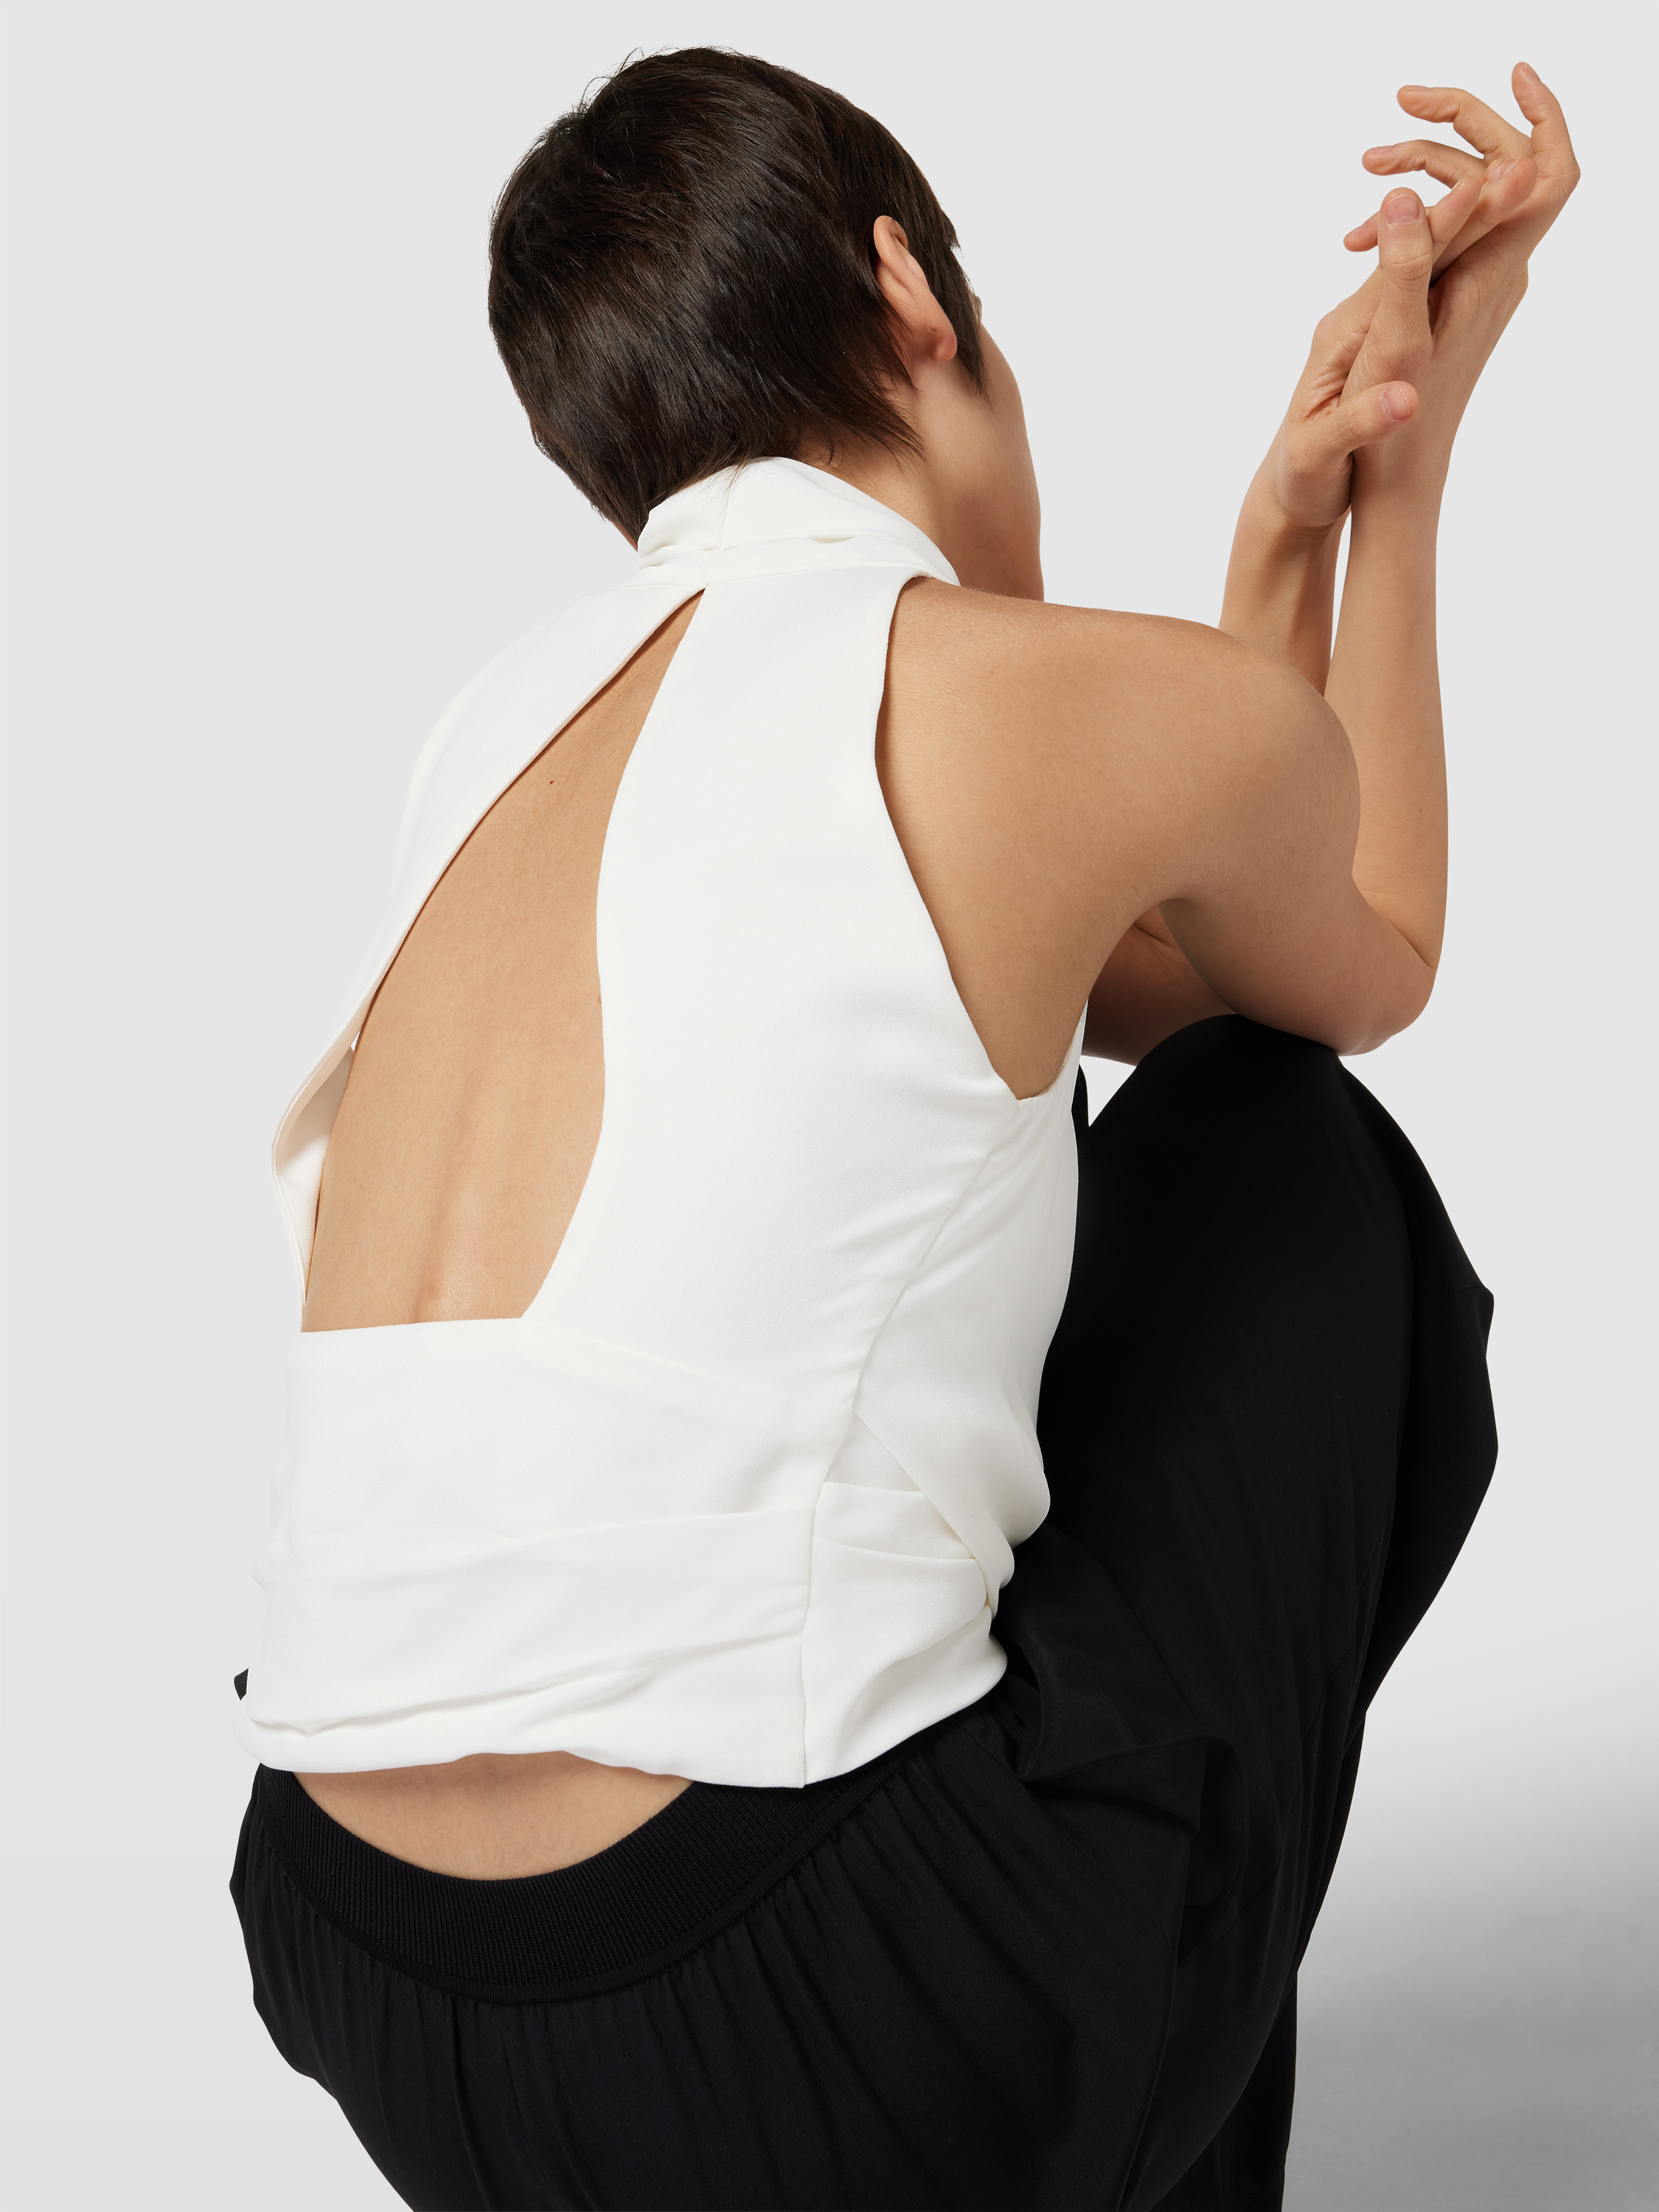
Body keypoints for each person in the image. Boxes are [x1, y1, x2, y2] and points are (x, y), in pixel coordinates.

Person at [228, 47, 1576, 2211]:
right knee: (1287, 1150)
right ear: (909, 290)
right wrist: (1389, 491)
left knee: (1003, 1189)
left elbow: (1126, 941)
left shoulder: (490, 737)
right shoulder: (1028, 688)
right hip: (820, 2047)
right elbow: (1347, 963)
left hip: (377, 1983)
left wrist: (1267, 560)